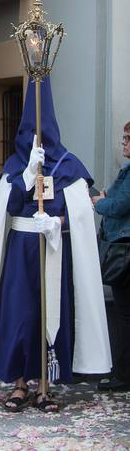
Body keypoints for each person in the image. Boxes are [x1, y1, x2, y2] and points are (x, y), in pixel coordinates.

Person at [0, 78, 111, 413]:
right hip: (19, 253)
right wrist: (26, 176)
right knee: (19, 316)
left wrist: (57, 223)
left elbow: (82, 213)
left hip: (53, 251)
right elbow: (4, 209)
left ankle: (45, 384)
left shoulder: (68, 166)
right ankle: (18, 383)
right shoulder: (14, 165)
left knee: (48, 314)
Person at [92, 121, 130, 392]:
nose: (124, 144)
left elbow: (119, 206)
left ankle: (124, 374)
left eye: (128, 139)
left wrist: (99, 203)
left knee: (124, 314)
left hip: (124, 248)